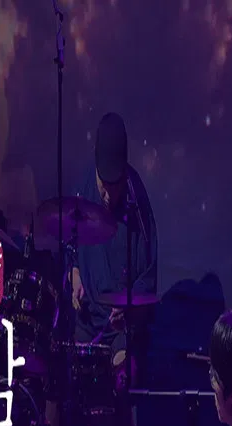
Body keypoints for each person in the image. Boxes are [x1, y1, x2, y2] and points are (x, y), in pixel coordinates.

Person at [70, 111, 159, 386]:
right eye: (104, 186)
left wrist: (129, 307)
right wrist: (74, 272)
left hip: (122, 326)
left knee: (121, 380)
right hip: (88, 319)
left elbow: (149, 273)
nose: (108, 195)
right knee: (70, 380)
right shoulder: (84, 188)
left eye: (115, 186)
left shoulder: (137, 201)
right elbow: (70, 242)